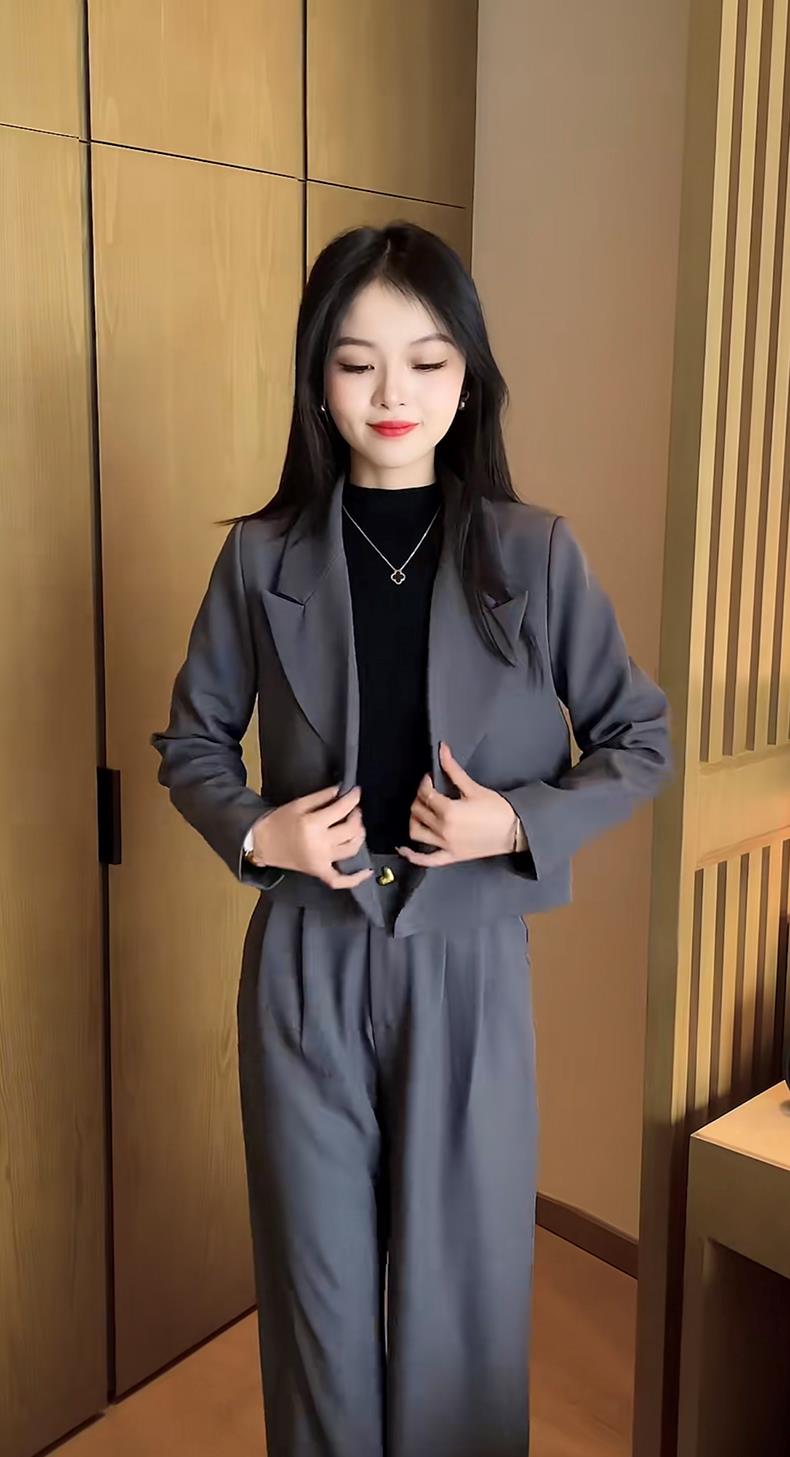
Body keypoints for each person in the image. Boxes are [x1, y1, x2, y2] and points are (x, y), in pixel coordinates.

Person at [150, 221, 673, 1457]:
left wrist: (517, 818)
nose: (394, 392)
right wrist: (258, 834)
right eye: (356, 362)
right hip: (306, 960)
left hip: (469, 960)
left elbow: (638, 737)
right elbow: (192, 743)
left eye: (427, 360)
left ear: (468, 377)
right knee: (318, 1299)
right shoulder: (259, 556)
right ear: (316, 380)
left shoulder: (533, 551)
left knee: (462, 1303)